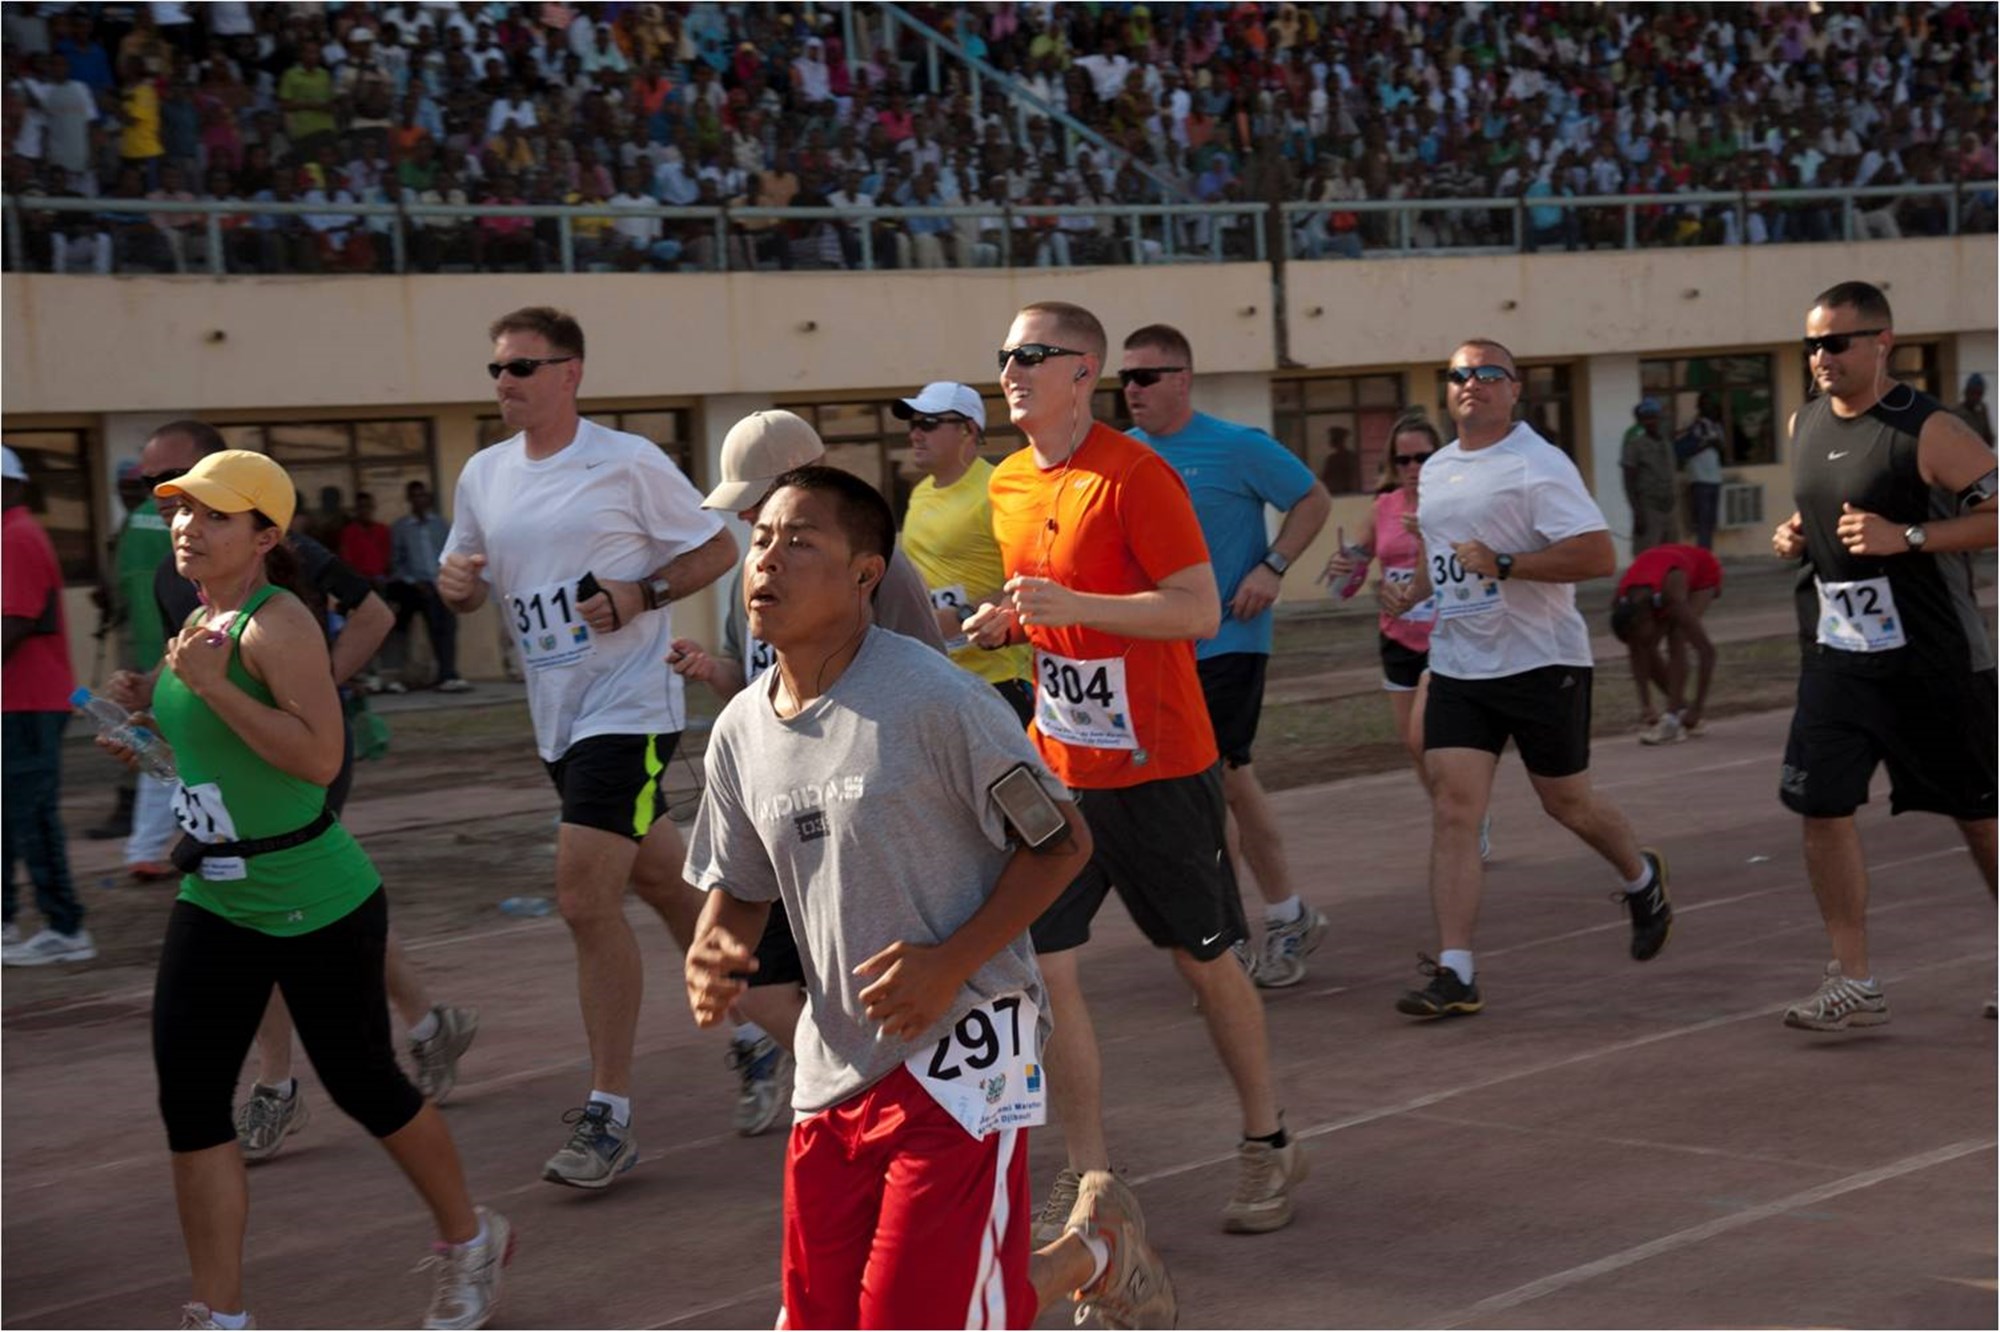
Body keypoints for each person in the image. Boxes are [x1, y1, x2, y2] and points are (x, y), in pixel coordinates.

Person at [683, 465, 1173, 1330]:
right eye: (761, 541)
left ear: (866, 574)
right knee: (824, 1319)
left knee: (920, 1317)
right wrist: (715, 946)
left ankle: (1092, 1254)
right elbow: (741, 887)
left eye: (802, 543)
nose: (768, 562)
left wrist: (948, 964)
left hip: (965, 1042)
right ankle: (1097, 1253)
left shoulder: (938, 700)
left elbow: (1061, 842)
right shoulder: (739, 732)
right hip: (834, 1061)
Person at [99, 449, 511, 1332]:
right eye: (182, 511)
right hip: (216, 893)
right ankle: (219, 1312)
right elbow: (220, 758)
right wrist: (149, 720)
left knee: (366, 1085)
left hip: (312, 896)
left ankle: (469, 1239)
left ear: (267, 535)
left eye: (215, 515)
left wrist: (212, 687)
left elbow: (318, 760)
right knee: (191, 1099)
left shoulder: (273, 623)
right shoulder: (199, 618)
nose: (188, 527)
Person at [966, 301, 1306, 1242]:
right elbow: (1046, 603)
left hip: (1158, 767)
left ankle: (1267, 1137)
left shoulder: (1135, 475)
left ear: (1085, 371)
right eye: (1005, 354)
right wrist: (1014, 619)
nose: (1012, 368)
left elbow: (1196, 612)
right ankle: (1089, 1181)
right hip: (1059, 769)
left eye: (1033, 354)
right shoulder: (1006, 485)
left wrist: (1070, 600)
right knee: (1050, 972)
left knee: (1202, 964)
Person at [439, 306, 738, 1186]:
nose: (505, 383)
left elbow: (716, 545)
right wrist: (454, 584)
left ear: (570, 374)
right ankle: (761, 1031)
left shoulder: (627, 460)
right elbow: (464, 585)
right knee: (664, 885)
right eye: (497, 369)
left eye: (523, 367)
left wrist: (642, 592)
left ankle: (608, 1115)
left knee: (580, 899)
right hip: (555, 717)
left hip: (629, 707)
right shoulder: (484, 476)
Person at [132, 419, 477, 1165]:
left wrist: (314, 688)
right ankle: (412, 1029)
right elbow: (198, 681)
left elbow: (373, 617)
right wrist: (155, 706)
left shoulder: (282, 570)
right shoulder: (183, 580)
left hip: (290, 763)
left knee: (303, 898)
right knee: (295, 915)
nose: (180, 515)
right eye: (168, 498)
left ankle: (285, 1079)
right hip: (229, 804)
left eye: (201, 497)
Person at [668, 409, 948, 1136]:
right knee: (759, 982)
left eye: (762, 500)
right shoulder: (754, 576)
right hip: (784, 808)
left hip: (867, 808)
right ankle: (852, 1085)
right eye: (748, 511)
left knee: (868, 978)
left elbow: (928, 683)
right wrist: (711, 671)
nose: (754, 521)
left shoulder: (879, 569)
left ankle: (889, 1096)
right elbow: (756, 681)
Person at [1382, 339, 1673, 1019]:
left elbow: (1599, 554)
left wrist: (1507, 565)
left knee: (1566, 803)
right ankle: (1456, 971)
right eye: (1459, 375)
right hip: (1459, 662)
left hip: (1541, 661)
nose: (1471, 384)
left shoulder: (1538, 465)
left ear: (1515, 389)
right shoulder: (1442, 468)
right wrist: (1413, 591)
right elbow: (1448, 554)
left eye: (1488, 374)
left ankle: (1640, 875)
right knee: (1455, 808)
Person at [1770, 281, 1997, 1031]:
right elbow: (1829, 501)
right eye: (1811, 344)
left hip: (1934, 660)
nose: (1820, 357)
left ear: (1881, 343)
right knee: (1820, 805)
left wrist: (1914, 538)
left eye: (1835, 342)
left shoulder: (1928, 428)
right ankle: (1853, 980)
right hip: (1838, 655)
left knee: (1979, 816)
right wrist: (1796, 532)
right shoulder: (1803, 421)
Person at [1119, 324, 1335, 989]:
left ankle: (1233, 937)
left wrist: (1272, 566)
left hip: (1229, 643)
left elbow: (1312, 499)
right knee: (1227, 785)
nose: (1131, 390)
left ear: (1182, 378)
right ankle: (1285, 914)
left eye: (1146, 377)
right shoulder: (1121, 455)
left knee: (1208, 786)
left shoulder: (1237, 446)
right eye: (1124, 379)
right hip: (1157, 650)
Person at [889, 381, 1035, 723]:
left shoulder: (1001, 488)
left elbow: (1030, 578)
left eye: (928, 423)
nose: (915, 434)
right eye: (912, 424)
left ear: (968, 429)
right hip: (935, 676)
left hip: (997, 680)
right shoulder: (920, 493)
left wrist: (963, 614)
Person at [1322, 414, 1447, 798]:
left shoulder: (1452, 504)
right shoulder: (1384, 507)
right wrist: (1344, 569)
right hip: (1397, 637)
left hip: (1445, 638)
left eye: (1422, 458)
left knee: (1424, 736)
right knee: (1413, 746)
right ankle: (1453, 815)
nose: (1413, 468)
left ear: (1439, 457)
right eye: (1402, 460)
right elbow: (1345, 582)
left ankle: (1460, 816)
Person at [2, 445, 92, 966]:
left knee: (32, 815)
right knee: (11, 816)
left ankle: (66, 926)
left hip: (28, 700)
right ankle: (9, 920)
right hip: (16, 700)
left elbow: (14, 622)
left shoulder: (16, 536)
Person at [1610, 543, 1724, 746]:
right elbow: (1636, 650)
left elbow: (1707, 652)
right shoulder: (1622, 601)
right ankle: (1679, 708)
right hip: (1660, 568)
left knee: (1677, 634)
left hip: (1701, 572)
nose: (1639, 642)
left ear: (1645, 618)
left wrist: (1697, 709)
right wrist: (1646, 705)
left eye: (1639, 634)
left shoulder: (1671, 595)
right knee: (1646, 645)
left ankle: (1673, 719)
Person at [388, 478, 470, 693]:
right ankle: (422, 675)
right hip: (415, 588)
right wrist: (413, 581)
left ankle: (448, 674)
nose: (419, 500)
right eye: (414, 496)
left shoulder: (440, 525)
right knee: (423, 631)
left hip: (441, 584)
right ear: (409, 499)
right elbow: (396, 561)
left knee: (447, 628)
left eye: (422, 495)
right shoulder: (401, 528)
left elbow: (452, 551)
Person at [1620, 398, 1680, 553]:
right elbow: (1629, 481)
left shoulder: (1665, 441)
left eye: (1655, 417)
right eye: (1647, 418)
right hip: (1649, 507)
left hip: (1670, 505)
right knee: (1648, 554)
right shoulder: (1635, 444)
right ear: (1641, 421)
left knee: (1671, 554)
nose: (1653, 422)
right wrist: (1637, 513)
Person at [1678, 392, 1726, 550]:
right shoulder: (1694, 426)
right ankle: (1702, 556)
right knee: (1702, 521)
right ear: (1699, 407)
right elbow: (1682, 450)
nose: (1709, 408)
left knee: (1711, 521)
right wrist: (1706, 444)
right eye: (1705, 404)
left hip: (1715, 478)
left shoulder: (1716, 426)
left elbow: (1722, 448)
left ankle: (1707, 554)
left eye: (1711, 404)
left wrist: (1715, 443)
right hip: (1699, 479)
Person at [1954, 372, 1995, 448]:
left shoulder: (1982, 412)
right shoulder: (1956, 413)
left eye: (1979, 394)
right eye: (1973, 393)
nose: (1976, 397)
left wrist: (1984, 415)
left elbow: (1990, 442)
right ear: (1966, 392)